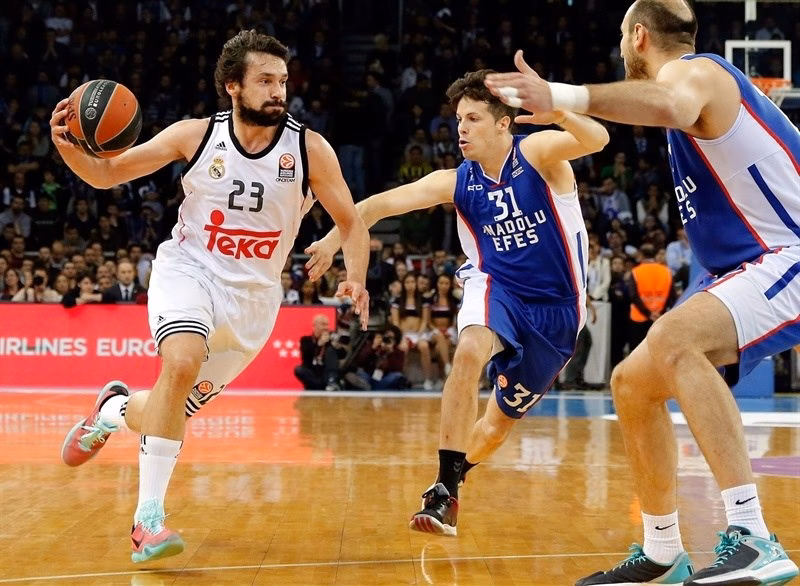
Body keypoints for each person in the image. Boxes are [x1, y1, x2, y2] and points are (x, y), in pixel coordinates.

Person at [485, 2, 800, 584]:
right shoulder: (700, 96)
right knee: (631, 383)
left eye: (622, 39)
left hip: (790, 255)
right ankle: (661, 552)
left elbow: (671, 104)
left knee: (676, 338)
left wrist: (563, 95)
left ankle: (754, 537)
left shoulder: (698, 73)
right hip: (751, 266)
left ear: (638, 36)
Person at [51, 30, 369, 564]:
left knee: (166, 405)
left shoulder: (309, 149)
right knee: (179, 361)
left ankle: (111, 410)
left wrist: (355, 275)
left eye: (282, 81)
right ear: (232, 86)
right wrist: (67, 148)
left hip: (255, 304)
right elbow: (107, 174)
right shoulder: (194, 136)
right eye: (265, 80)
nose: (277, 91)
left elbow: (352, 223)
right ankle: (147, 523)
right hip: (191, 272)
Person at [307, 69, 608, 536]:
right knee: (468, 352)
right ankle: (444, 491)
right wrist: (331, 242)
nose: (460, 128)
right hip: (496, 286)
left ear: (503, 124)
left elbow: (598, 138)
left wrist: (561, 112)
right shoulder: (456, 181)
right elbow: (372, 208)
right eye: (458, 119)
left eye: (472, 118)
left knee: (492, 431)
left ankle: (457, 473)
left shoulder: (537, 152)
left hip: (557, 311)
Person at [294, 313, 344, 391]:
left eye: (327, 325)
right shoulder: (305, 340)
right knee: (299, 370)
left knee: (331, 351)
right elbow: (306, 354)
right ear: (314, 326)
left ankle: (331, 383)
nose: (326, 328)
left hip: (326, 373)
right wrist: (319, 344)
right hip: (312, 372)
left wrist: (338, 347)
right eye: (323, 324)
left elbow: (343, 355)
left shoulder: (331, 339)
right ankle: (321, 387)